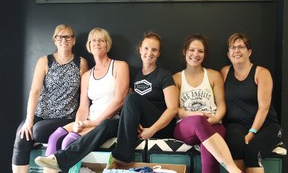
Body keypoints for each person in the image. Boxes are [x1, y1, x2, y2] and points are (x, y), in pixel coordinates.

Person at [34, 27, 130, 172]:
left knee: (68, 140)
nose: (96, 43)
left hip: (110, 121)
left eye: (101, 40)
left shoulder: (119, 66)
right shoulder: (86, 76)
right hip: (89, 120)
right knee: (55, 137)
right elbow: (83, 107)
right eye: (93, 40)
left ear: (107, 44)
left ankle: (62, 164)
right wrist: (79, 123)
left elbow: (119, 101)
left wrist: (94, 123)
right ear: (89, 45)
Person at [12, 24, 89, 173]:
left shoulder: (81, 63)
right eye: (59, 36)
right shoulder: (44, 61)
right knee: (22, 135)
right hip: (41, 114)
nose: (63, 40)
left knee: (38, 132)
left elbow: (84, 94)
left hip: (66, 117)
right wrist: (29, 120)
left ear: (73, 40)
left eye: (67, 36)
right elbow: (34, 91)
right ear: (55, 40)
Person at [172, 34, 243, 173]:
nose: (195, 54)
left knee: (208, 146)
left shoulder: (214, 75)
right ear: (184, 51)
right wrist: (195, 114)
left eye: (200, 51)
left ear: (205, 54)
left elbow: (221, 105)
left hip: (213, 123)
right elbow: (176, 111)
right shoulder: (176, 78)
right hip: (185, 126)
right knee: (199, 120)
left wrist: (216, 118)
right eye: (192, 50)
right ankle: (232, 168)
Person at [221, 33, 285, 173]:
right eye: (233, 48)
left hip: (266, 126)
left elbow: (264, 107)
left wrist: (251, 133)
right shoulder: (225, 72)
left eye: (241, 47)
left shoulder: (261, 73)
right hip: (236, 125)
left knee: (252, 151)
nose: (236, 51)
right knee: (235, 147)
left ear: (249, 52)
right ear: (228, 53)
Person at [111, 31, 178, 164]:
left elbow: (173, 109)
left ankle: (123, 157)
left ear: (158, 53)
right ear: (140, 50)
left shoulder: (164, 75)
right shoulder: (134, 74)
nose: (149, 52)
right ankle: (66, 156)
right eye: (146, 48)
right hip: (141, 124)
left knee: (132, 98)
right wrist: (133, 122)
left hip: (162, 126)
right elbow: (128, 107)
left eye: (154, 50)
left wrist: (152, 130)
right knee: (108, 125)